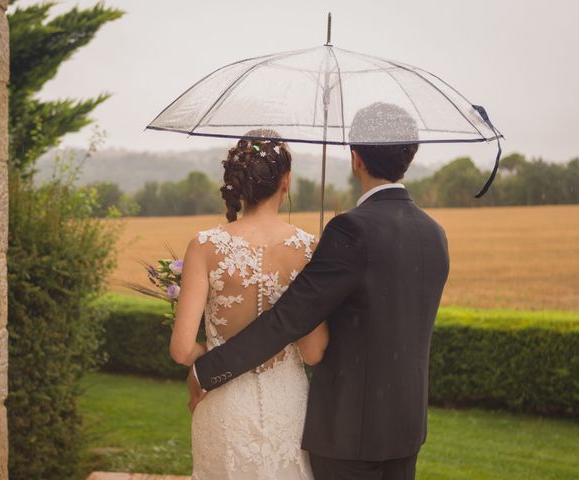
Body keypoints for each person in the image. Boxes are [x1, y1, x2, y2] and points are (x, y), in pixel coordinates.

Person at [189, 103, 451, 480]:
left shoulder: (351, 231)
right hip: (407, 428)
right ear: (409, 156)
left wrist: (207, 370)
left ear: (355, 157)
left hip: (348, 433)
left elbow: (288, 319)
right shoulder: (434, 234)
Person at [169, 129, 328, 479]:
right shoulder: (308, 249)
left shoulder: (204, 245)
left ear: (237, 183)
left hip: (223, 407)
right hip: (287, 408)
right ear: (285, 181)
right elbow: (314, 353)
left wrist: (211, 354)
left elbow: (181, 351)